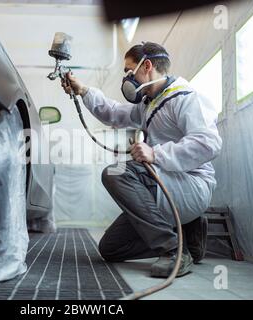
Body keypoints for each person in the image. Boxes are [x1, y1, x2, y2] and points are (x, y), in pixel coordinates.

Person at [61, 42, 222, 278]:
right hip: (163, 185)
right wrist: (83, 90)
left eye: (129, 70)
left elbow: (209, 143)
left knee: (116, 173)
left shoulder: (186, 98)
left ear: (146, 66)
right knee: (111, 249)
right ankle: (188, 235)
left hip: (190, 185)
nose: (127, 77)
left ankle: (173, 250)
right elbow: (114, 113)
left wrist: (156, 154)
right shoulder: (150, 103)